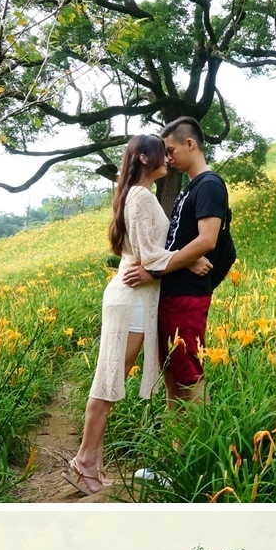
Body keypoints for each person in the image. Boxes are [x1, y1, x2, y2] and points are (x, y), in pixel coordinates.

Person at [63, 134, 212, 495]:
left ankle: (93, 465)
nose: (169, 157)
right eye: (163, 152)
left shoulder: (134, 193)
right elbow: (148, 255)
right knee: (110, 382)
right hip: (131, 300)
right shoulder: (141, 196)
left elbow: (150, 251)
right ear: (145, 157)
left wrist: (178, 259)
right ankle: (83, 462)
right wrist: (191, 260)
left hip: (132, 296)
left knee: (113, 379)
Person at [122, 116, 229, 408]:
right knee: (172, 372)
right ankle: (177, 446)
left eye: (170, 150)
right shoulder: (189, 189)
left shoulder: (208, 185)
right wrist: (173, 267)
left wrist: (154, 271)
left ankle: (203, 447)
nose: (167, 157)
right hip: (173, 291)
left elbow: (208, 240)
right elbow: (176, 242)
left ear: (190, 144)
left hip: (187, 294)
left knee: (189, 372)